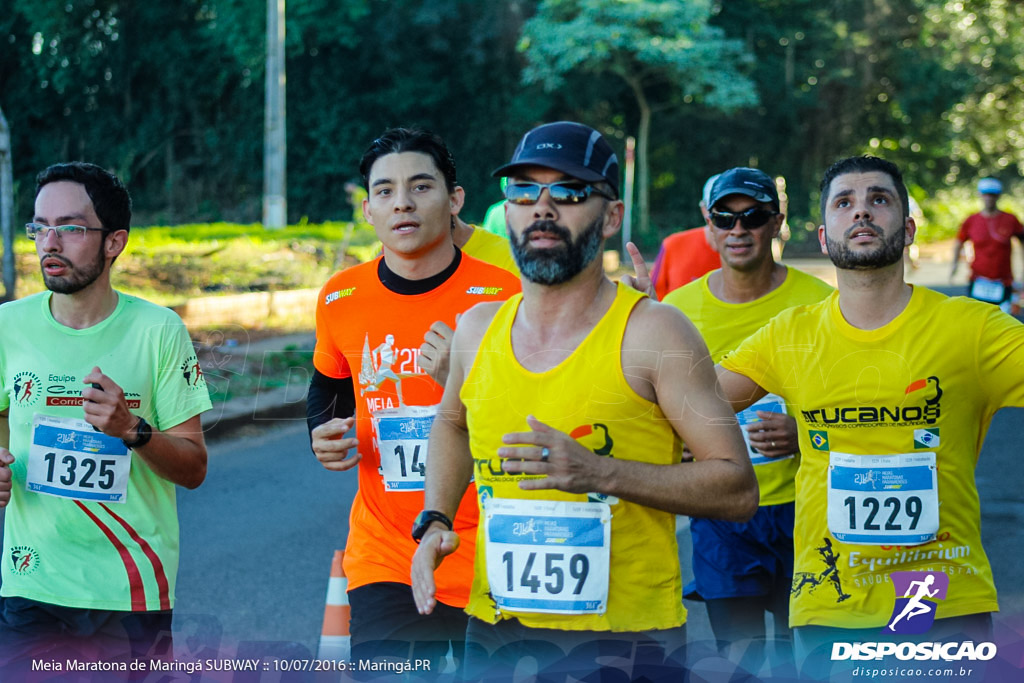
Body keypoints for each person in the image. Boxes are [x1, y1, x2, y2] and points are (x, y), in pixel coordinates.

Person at [410, 121, 758, 681]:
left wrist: (599, 472)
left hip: (628, 637)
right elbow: (452, 426)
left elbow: (737, 487)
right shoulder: (476, 328)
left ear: (612, 216)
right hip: (499, 630)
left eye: (569, 191)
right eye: (524, 190)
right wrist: (434, 521)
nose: (542, 208)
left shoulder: (656, 333)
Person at [714, 156, 1024, 677]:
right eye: (844, 203)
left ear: (907, 229)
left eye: (878, 199)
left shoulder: (971, 328)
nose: (861, 212)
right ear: (822, 233)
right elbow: (694, 402)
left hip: (941, 597)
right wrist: (643, 324)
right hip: (830, 602)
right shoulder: (789, 333)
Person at [306, 128, 520, 676]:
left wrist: (464, 383)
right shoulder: (340, 297)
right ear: (368, 210)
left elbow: (540, 412)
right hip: (387, 551)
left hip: (493, 550)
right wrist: (324, 434)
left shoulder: (506, 295)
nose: (401, 201)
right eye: (385, 191)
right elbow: (327, 387)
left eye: (421, 187)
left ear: (455, 200)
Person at [0, 162, 211, 672]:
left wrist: (131, 430)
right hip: (30, 583)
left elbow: (194, 468)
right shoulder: (8, 325)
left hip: (128, 590)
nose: (49, 242)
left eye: (69, 228)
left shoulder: (158, 331)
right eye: (39, 227)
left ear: (113, 242)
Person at [663, 167, 833, 672]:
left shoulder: (821, 303)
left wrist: (805, 434)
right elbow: (654, 410)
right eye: (725, 217)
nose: (738, 230)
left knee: (800, 658)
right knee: (738, 661)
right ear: (708, 224)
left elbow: (850, 402)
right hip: (722, 515)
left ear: (777, 222)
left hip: (804, 510)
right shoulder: (676, 310)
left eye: (753, 217)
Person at [950, 177, 1023, 311]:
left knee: (1004, 318)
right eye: (986, 194)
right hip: (978, 280)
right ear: (980, 195)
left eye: (993, 194)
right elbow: (959, 242)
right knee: (977, 318)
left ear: (999, 196)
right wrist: (954, 266)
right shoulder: (971, 220)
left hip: (1003, 280)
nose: (989, 198)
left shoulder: (1010, 220)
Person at [649, 173, 722, 300]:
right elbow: (651, 298)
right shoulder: (673, 245)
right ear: (704, 209)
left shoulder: (751, 254)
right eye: (720, 209)